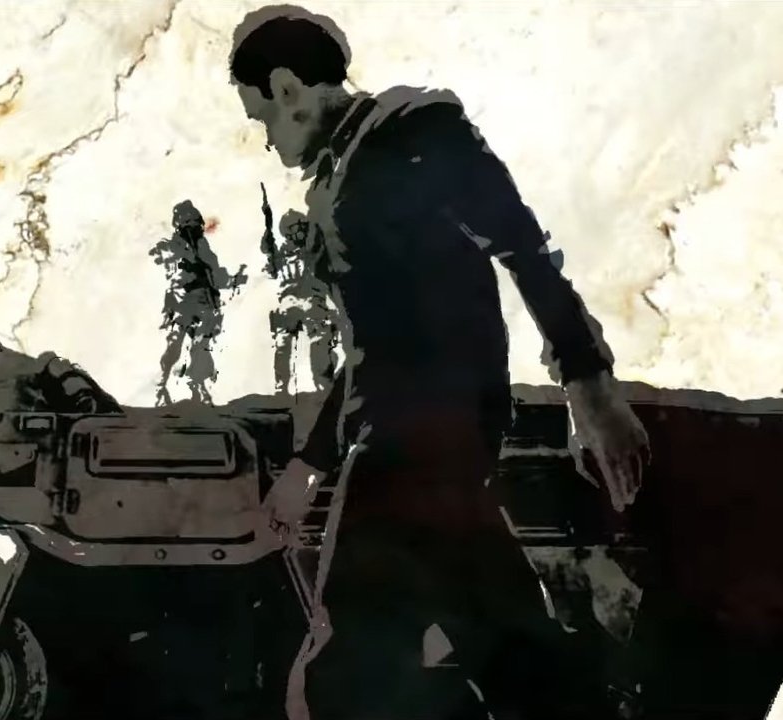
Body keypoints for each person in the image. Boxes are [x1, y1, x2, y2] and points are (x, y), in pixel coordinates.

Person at [228, 6, 652, 720]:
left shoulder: (414, 130)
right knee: (517, 659)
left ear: (288, 87)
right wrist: (309, 464)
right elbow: (373, 345)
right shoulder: (340, 176)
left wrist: (589, 384)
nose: (267, 141)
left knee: (338, 680)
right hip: (421, 442)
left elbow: (522, 246)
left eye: (262, 118)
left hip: (421, 442)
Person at [150, 200, 247, 405]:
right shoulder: (174, 246)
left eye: (192, 221)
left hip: (199, 302)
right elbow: (176, 273)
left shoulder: (199, 246)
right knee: (179, 345)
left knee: (198, 346)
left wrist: (232, 280)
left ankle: (196, 387)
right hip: (184, 302)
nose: (191, 225)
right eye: (187, 221)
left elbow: (215, 273)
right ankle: (164, 386)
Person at [260, 189, 339, 394]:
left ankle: (318, 384)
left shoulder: (305, 250)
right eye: (297, 227)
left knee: (304, 341)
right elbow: (268, 248)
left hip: (304, 299)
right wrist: (267, 223)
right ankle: (291, 387)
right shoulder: (291, 253)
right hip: (299, 300)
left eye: (302, 227)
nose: (301, 231)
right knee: (290, 342)